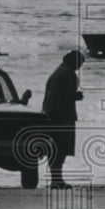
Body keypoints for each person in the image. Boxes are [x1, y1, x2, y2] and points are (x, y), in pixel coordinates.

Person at [41, 50, 85, 189]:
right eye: (79, 64)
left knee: (54, 148)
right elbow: (66, 96)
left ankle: (56, 179)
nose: (79, 67)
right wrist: (77, 96)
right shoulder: (68, 74)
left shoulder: (57, 72)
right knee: (61, 149)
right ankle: (57, 180)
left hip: (51, 115)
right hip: (63, 116)